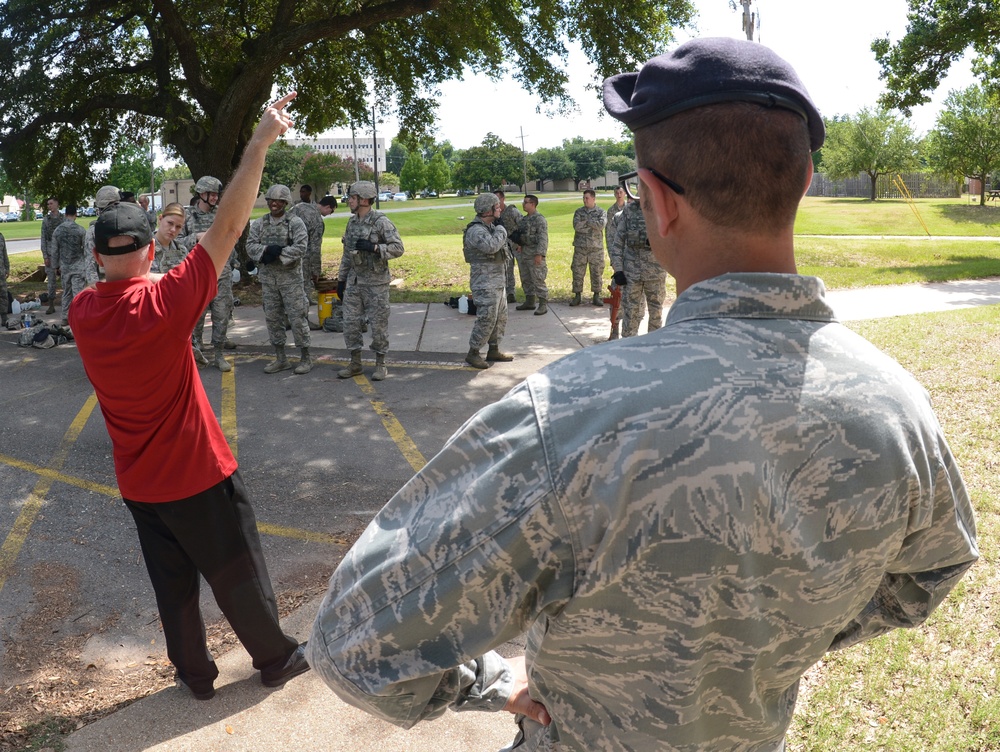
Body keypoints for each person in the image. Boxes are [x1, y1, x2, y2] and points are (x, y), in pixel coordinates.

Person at [306, 39, 978, 751]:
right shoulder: (896, 405)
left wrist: (491, 683)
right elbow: (933, 568)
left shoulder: (570, 414)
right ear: (805, 180)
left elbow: (352, 643)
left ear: (656, 201)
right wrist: (778, 640)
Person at [69, 93, 309, 702]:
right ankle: (275, 657)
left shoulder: (83, 311)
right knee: (237, 572)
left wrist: (144, 268)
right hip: (197, 474)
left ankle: (195, 675)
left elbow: (125, 283)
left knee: (172, 584)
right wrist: (258, 143)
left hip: (139, 483)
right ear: (152, 250)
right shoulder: (166, 302)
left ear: (96, 257)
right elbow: (229, 227)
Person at [335, 180, 404, 382]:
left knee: (378, 326)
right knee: (350, 323)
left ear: (364, 200)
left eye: (352, 197)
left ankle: (380, 363)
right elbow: (347, 254)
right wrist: (341, 280)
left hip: (376, 284)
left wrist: (374, 248)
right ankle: (355, 363)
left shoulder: (381, 222)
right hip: (354, 282)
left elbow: (398, 248)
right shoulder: (352, 223)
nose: (349, 201)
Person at [246, 184, 312, 375]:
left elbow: (301, 247)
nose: (274, 204)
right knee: (273, 319)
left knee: (298, 319)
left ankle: (305, 358)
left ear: (285, 202)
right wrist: (266, 250)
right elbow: (250, 245)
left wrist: (279, 253)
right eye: (271, 200)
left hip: (291, 281)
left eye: (278, 201)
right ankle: (281, 358)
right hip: (269, 281)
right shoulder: (260, 223)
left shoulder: (295, 223)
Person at [180, 175, 238, 368]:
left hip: (221, 272)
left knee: (221, 315)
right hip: (197, 274)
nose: (214, 197)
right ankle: (195, 351)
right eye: (211, 194)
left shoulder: (222, 215)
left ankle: (219, 355)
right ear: (201, 193)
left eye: (216, 194)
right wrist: (196, 237)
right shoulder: (187, 217)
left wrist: (234, 261)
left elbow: (232, 238)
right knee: (196, 317)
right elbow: (175, 243)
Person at [608, 190, 667, 337]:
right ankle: (628, 345)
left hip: (655, 273)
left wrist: (657, 241)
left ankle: (653, 345)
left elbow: (673, 239)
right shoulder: (629, 211)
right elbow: (618, 243)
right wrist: (618, 270)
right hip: (632, 273)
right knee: (630, 312)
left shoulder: (663, 208)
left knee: (656, 312)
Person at [463, 193, 511, 370]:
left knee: (500, 318)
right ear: (487, 210)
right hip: (484, 283)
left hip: (497, 281)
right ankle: (473, 352)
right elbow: (491, 246)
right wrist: (502, 230)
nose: (500, 209)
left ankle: (494, 349)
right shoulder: (476, 231)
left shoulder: (490, 227)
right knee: (487, 318)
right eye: (496, 207)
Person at [289, 186, 325, 329]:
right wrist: (316, 271)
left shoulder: (293, 210)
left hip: (288, 255)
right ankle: (303, 321)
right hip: (303, 258)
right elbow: (315, 248)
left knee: (289, 290)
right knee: (303, 289)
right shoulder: (316, 218)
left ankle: (287, 320)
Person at [49, 204, 87, 325]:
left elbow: (54, 251)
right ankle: (79, 317)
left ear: (65, 215)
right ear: (75, 215)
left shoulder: (58, 231)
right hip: (78, 266)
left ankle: (65, 317)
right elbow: (86, 249)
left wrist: (55, 266)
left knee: (66, 292)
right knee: (78, 293)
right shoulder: (81, 230)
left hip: (64, 266)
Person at [511, 194, 548, 314]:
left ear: (533, 204)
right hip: (524, 253)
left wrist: (539, 254)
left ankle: (543, 304)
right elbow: (521, 235)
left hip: (534, 254)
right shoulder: (524, 220)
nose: (523, 204)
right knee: (526, 278)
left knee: (538, 279)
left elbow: (543, 238)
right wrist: (519, 244)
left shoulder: (539, 219)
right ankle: (530, 301)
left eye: (526, 202)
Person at [569, 189, 607, 306]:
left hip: (595, 248)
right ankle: (577, 295)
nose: (585, 200)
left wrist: (586, 222)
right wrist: (592, 225)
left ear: (593, 199)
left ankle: (596, 295)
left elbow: (601, 225)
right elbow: (577, 226)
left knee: (596, 272)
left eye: (587, 198)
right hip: (580, 248)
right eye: (583, 198)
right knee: (577, 272)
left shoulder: (601, 212)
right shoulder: (579, 212)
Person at [493, 190, 522, 304]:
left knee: (524, 270)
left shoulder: (512, 211)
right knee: (507, 270)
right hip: (504, 247)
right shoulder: (494, 214)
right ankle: (510, 293)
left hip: (517, 245)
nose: (496, 202)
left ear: (503, 199)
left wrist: (521, 243)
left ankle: (530, 295)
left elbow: (523, 225)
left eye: (498, 199)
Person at [41, 196, 62, 313]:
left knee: (65, 280)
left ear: (57, 204)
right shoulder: (46, 220)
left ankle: (68, 304)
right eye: (48, 204)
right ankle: (51, 304)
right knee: (51, 281)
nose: (49, 206)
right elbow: (43, 238)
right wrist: (45, 255)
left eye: (51, 203)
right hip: (50, 254)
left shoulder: (63, 219)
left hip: (62, 254)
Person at [153, 203, 189, 273]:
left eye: (178, 227)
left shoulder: (182, 251)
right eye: (170, 223)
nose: (173, 229)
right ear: (160, 219)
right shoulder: (144, 248)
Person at [0, 230, 8, 328]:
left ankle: (4, 317)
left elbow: (4, 254)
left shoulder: (1, 236)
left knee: (3, 295)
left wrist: (7, 268)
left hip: (1, 272)